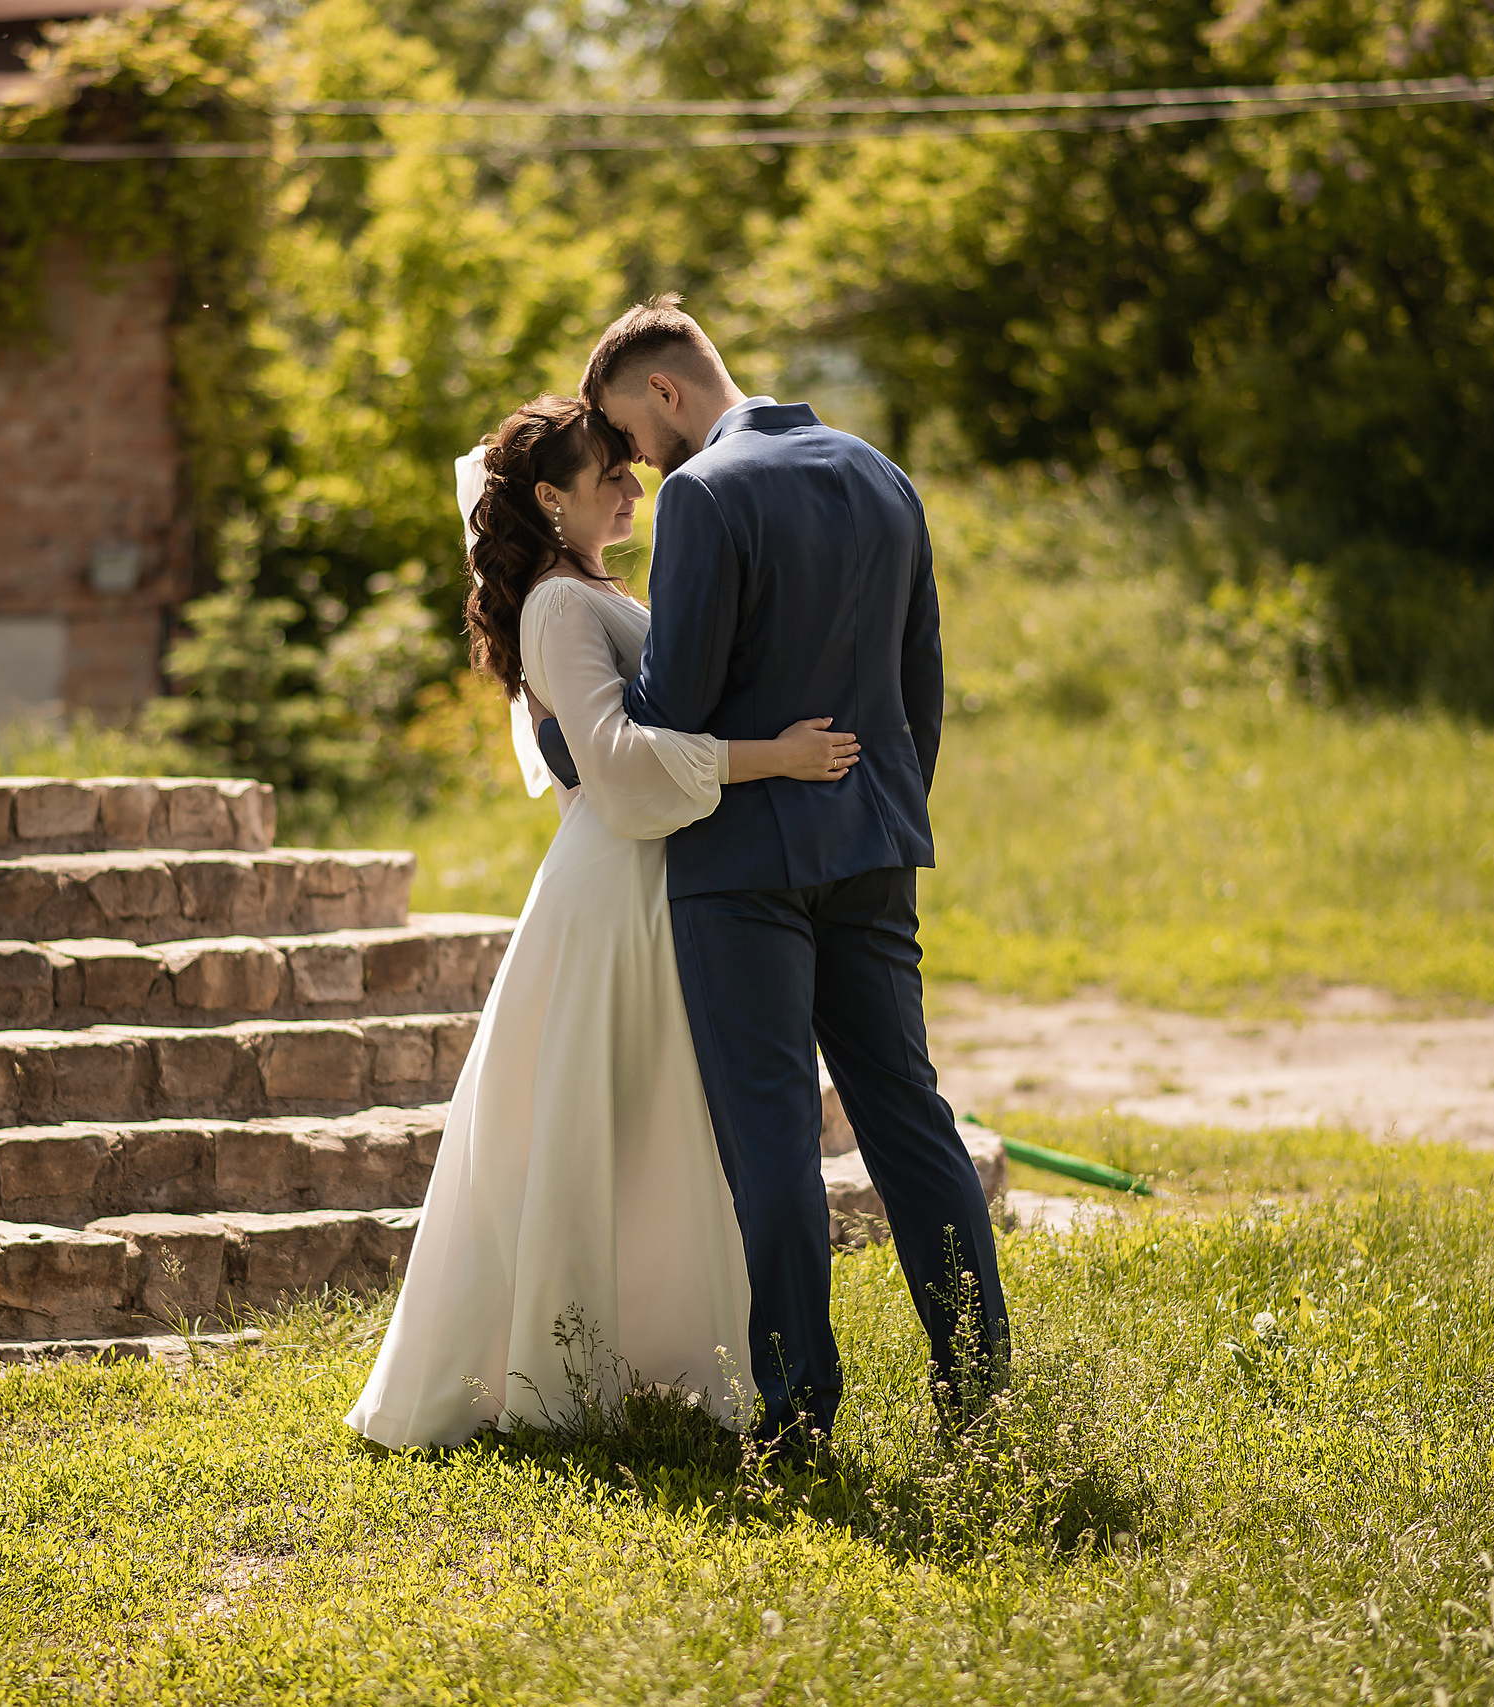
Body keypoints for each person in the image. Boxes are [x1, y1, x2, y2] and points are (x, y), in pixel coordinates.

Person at [345, 394, 862, 1449]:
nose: (633, 488)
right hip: (614, 885)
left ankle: (661, 1353)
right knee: (588, 1121)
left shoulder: (593, 589)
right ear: (551, 498)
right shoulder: (555, 607)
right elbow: (615, 764)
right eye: (610, 475)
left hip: (657, 874)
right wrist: (774, 757)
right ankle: (562, 1370)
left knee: (651, 1117)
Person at [540, 296, 1010, 1450]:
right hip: (874, 844)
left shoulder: (707, 493)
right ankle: (979, 1388)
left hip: (741, 866)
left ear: (664, 390)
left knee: (773, 1141)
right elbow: (919, 682)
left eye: (630, 430)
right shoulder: (882, 475)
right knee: (910, 1116)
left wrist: (565, 732)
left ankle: (799, 1417)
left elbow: (676, 704)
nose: (638, 460)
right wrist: (883, 814)